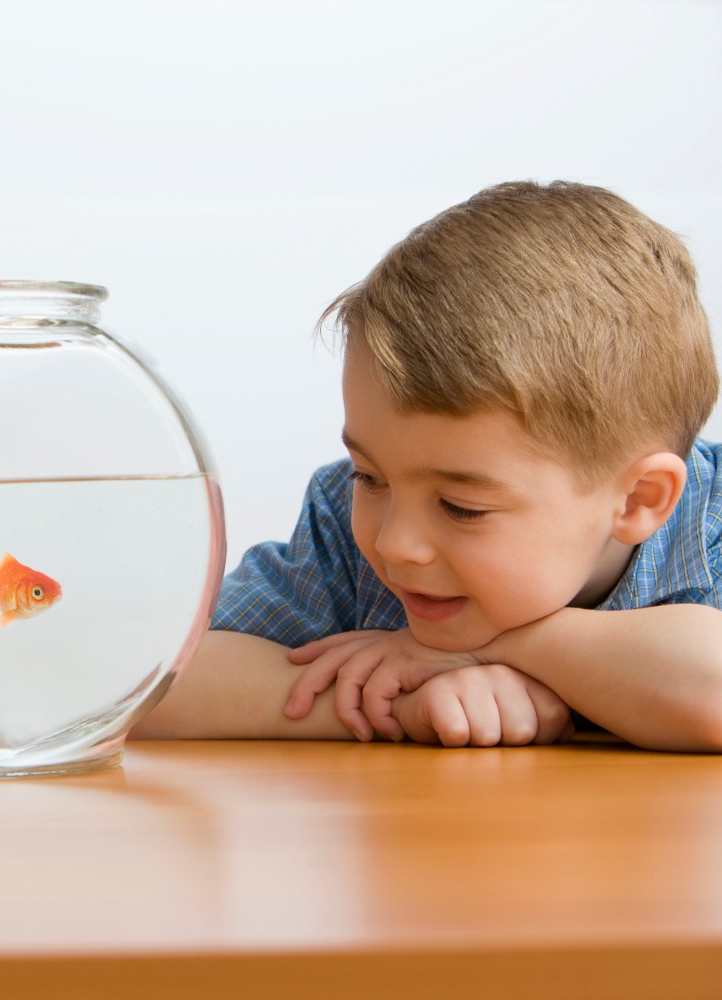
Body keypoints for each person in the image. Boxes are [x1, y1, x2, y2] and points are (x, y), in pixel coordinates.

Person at [134, 179, 722, 752]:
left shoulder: (710, 520)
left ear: (641, 498)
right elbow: (153, 681)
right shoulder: (344, 518)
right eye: (370, 476)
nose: (396, 543)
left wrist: (510, 647)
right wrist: (399, 704)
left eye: (462, 507)